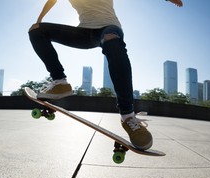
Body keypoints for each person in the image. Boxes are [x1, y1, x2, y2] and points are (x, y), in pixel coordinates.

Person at [29, 0, 183, 151]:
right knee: (36, 30)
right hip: (84, 33)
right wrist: (39, 20)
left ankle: (128, 116)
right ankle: (60, 81)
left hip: (108, 28)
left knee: (111, 40)